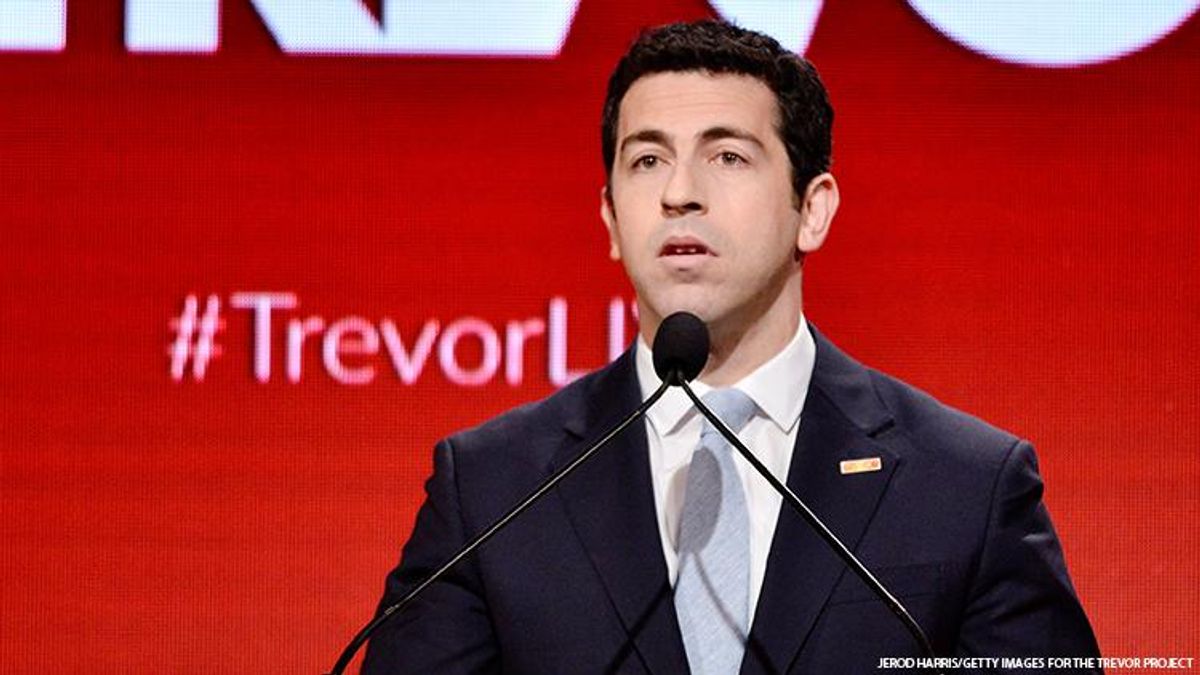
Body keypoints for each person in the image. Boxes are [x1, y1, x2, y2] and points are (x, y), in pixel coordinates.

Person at [362, 20, 1101, 674]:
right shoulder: (494, 491)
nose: (679, 192)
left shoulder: (964, 486)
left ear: (812, 210)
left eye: (727, 157)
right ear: (611, 219)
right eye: (647, 161)